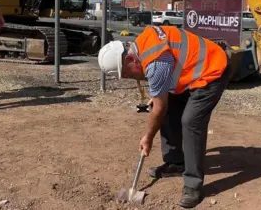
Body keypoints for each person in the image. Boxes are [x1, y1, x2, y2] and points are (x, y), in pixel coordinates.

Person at [97, 25, 231, 208]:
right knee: (165, 108)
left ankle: (193, 185)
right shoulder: (142, 46)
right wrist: (157, 97)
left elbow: (159, 108)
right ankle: (175, 163)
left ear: (130, 59)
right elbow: (162, 92)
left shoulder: (154, 63)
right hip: (191, 73)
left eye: (128, 74)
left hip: (212, 69)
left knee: (190, 121)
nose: (132, 78)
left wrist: (148, 137)